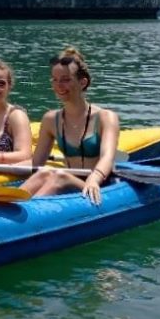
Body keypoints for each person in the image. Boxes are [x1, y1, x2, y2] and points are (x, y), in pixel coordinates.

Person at [21, 48, 120, 205]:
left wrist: (94, 179)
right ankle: (7, 209)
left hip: (98, 185)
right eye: (54, 79)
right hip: (69, 180)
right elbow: (36, 163)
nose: (59, 85)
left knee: (60, 176)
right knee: (44, 173)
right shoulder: (50, 119)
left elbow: (107, 157)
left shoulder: (106, 118)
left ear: (82, 82)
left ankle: (25, 215)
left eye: (66, 79)